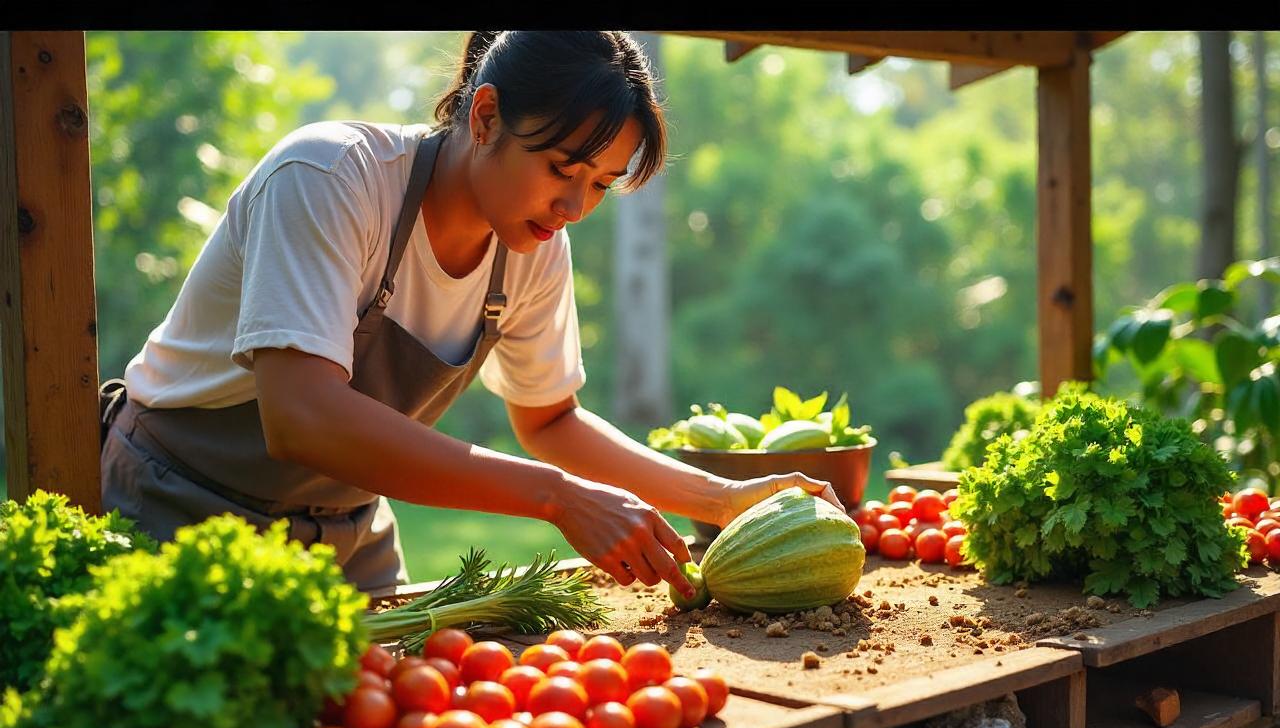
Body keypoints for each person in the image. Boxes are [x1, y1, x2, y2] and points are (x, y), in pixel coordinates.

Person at [99, 30, 843, 596]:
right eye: (562, 169)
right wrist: (556, 499)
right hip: (180, 510)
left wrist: (720, 498)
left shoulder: (533, 245)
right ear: (485, 117)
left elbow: (550, 419)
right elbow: (303, 417)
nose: (575, 207)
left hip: (345, 536)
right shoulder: (328, 178)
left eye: (601, 185)